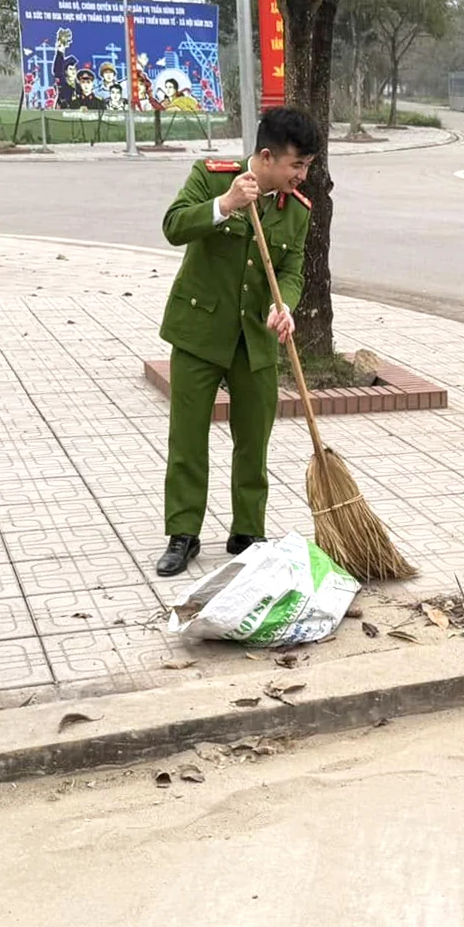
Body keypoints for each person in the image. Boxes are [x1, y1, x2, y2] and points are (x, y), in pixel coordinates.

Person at [155, 106, 322, 577]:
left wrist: (284, 304)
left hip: (256, 340)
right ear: (266, 157)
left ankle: (247, 531)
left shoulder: (297, 209)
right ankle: (183, 532)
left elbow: (291, 270)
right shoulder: (212, 179)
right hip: (200, 331)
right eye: (297, 165)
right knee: (187, 438)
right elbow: (173, 226)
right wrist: (224, 205)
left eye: (307, 165)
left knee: (254, 441)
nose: (302, 175)